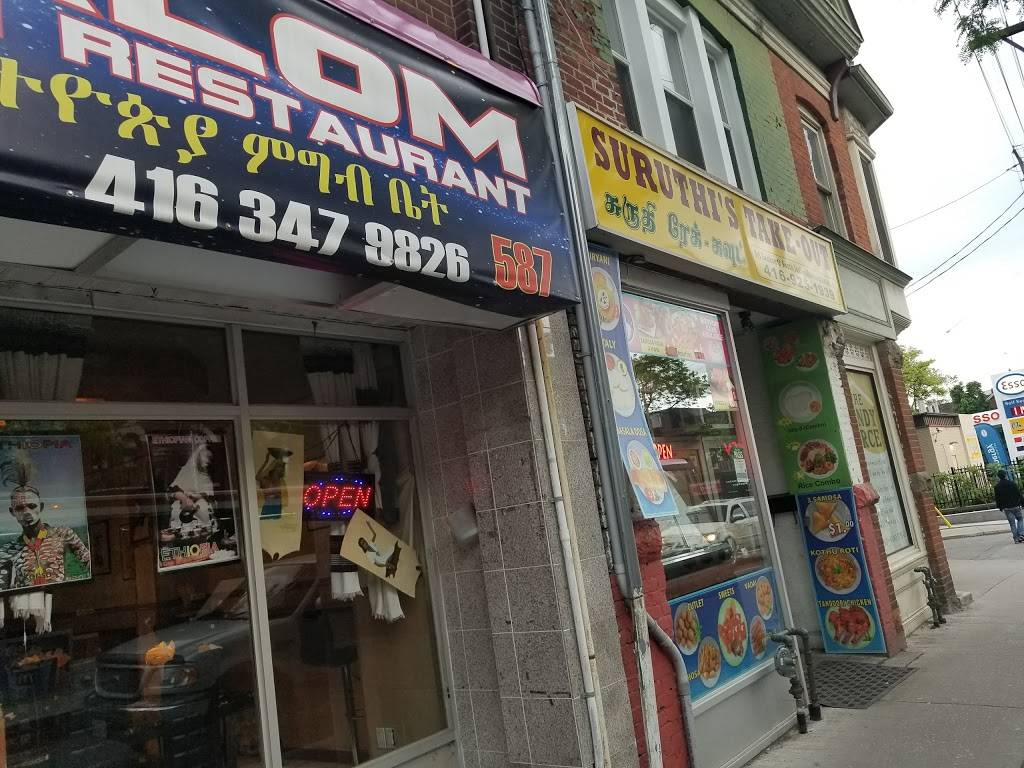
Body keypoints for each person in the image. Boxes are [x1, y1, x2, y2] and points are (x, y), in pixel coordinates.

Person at [6, 477, 91, 589]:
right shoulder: (9, 550)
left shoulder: (63, 534)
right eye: (19, 508)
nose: (26, 512)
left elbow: (91, 564)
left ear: (41, 507)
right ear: (12, 512)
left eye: (32, 506)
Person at [994, 469, 1024, 543]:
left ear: (998, 477)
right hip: (1015, 505)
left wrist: (1000, 507)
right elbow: (1018, 494)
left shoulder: (997, 487)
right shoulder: (1012, 484)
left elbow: (997, 498)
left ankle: (1016, 539)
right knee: (1020, 519)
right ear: (1005, 475)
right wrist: (1022, 503)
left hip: (1006, 508)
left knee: (1012, 523)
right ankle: (1021, 534)